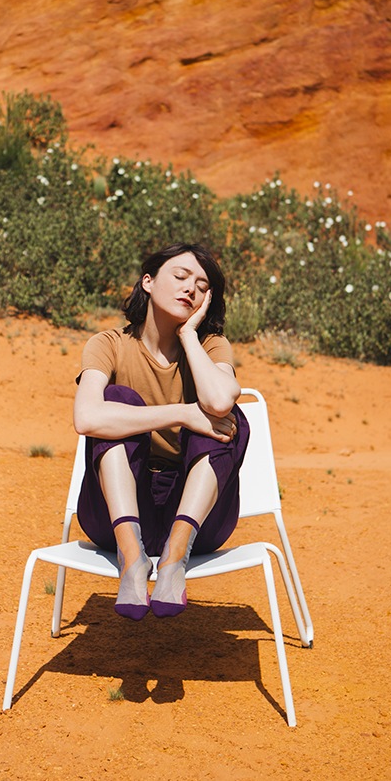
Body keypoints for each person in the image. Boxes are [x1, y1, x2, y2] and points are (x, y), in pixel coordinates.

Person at [73, 242, 249, 620]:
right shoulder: (109, 345)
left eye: (202, 286)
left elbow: (219, 404)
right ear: (148, 282)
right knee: (117, 397)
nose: (190, 289)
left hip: (196, 518)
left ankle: (173, 560)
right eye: (181, 276)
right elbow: (86, 417)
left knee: (225, 415)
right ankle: (132, 559)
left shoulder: (211, 346)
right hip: (114, 511)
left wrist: (188, 337)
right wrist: (182, 414)